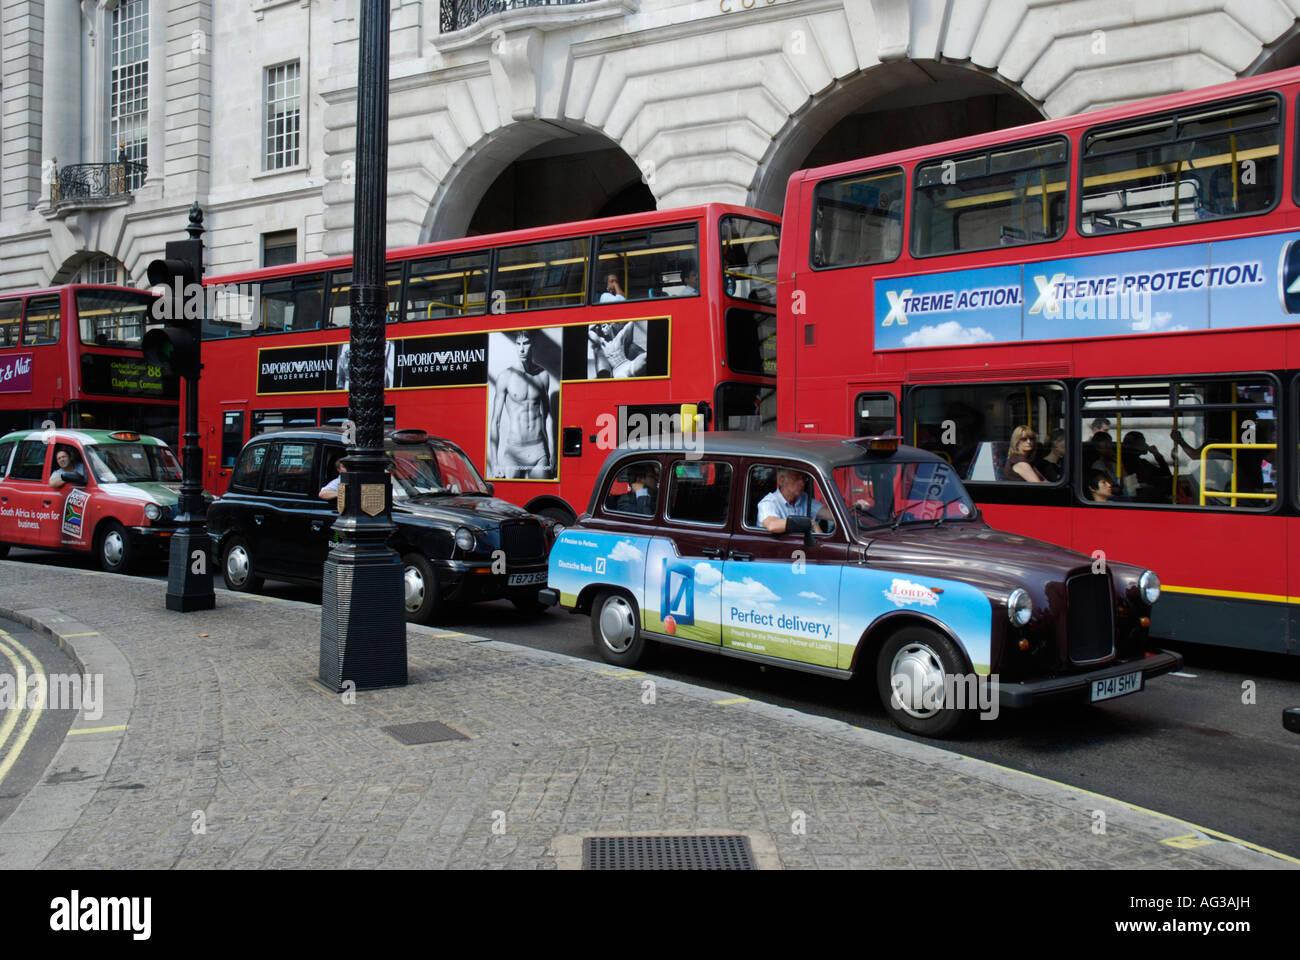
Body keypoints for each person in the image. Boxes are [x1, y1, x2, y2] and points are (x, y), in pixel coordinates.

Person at [488, 329, 555, 479]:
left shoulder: (543, 376)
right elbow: (495, 422)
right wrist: (494, 463)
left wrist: (553, 452)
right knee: (509, 499)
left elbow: (548, 417)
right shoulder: (505, 377)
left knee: (542, 497)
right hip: (514, 452)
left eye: (525, 343)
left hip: (538, 450)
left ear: (533, 344)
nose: (522, 349)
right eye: (518, 344)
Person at [757, 468, 835, 534]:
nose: (802, 483)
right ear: (782, 480)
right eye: (796, 478)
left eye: (804, 478)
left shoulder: (803, 498)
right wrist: (809, 523)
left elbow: (830, 514)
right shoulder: (769, 502)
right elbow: (772, 525)